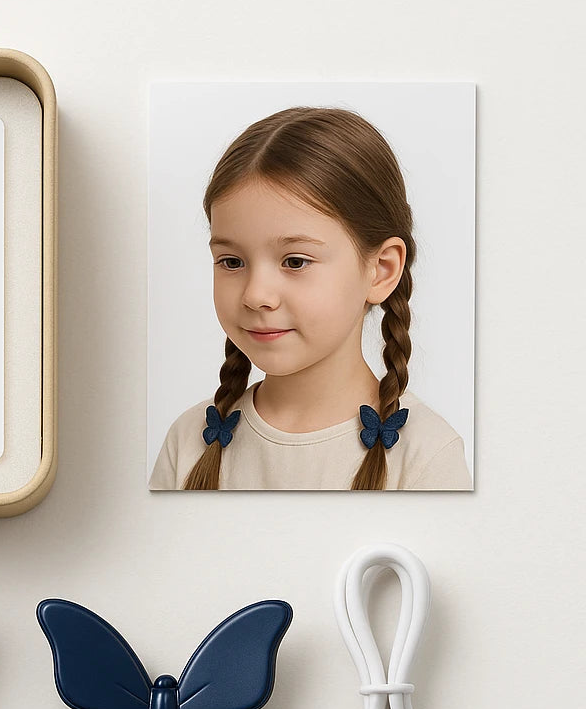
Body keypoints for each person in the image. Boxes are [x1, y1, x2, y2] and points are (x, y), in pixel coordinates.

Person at [150, 107, 471, 491]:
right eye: (232, 261)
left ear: (381, 270)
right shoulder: (188, 442)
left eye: (295, 261)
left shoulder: (427, 455)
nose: (255, 295)